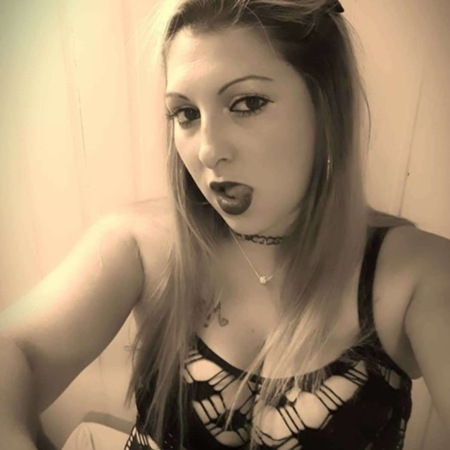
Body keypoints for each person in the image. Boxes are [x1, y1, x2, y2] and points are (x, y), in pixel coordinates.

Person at [1, 0, 449, 449]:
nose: (207, 150)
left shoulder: (417, 277)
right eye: (186, 114)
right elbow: (16, 351)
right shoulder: (144, 244)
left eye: (247, 103)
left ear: (325, 108)